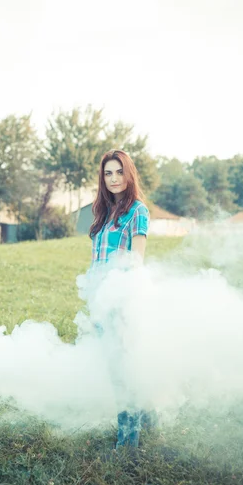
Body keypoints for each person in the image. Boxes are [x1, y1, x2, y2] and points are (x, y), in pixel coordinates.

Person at [88, 148, 154, 449]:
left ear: (129, 174)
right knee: (115, 365)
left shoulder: (137, 211)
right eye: (108, 173)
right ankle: (150, 417)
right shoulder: (103, 211)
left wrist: (124, 300)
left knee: (121, 370)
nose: (114, 179)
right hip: (99, 296)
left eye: (119, 172)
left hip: (120, 298)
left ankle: (128, 444)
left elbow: (136, 261)